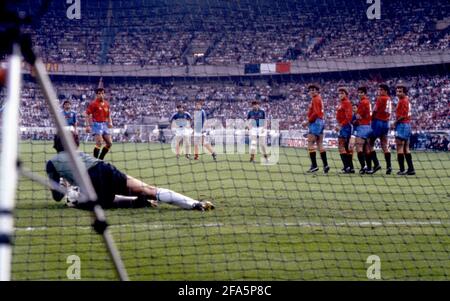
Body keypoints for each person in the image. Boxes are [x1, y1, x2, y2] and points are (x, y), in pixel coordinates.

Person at [46, 133, 214, 211]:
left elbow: (57, 197)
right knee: (148, 190)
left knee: (100, 201)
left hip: (90, 183)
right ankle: (194, 204)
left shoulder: (52, 163)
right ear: (75, 144)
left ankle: (138, 202)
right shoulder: (79, 154)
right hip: (102, 169)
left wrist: (63, 185)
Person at [303, 84, 329, 173]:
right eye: (310, 90)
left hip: (315, 122)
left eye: (314, 89)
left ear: (317, 91)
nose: (312, 91)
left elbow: (316, 113)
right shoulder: (319, 99)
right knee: (320, 144)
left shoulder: (315, 99)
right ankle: (325, 165)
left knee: (310, 143)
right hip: (320, 122)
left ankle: (314, 166)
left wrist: (307, 121)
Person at [367, 84, 392, 174]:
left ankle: (376, 164)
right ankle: (389, 167)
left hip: (378, 122)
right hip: (386, 123)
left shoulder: (380, 98)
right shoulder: (389, 99)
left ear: (385, 91)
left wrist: (371, 119)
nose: (379, 91)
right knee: (384, 145)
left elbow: (375, 110)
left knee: (369, 143)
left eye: (381, 90)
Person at [85, 88, 113, 160]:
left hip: (104, 125)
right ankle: (95, 161)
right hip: (96, 124)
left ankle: (100, 159)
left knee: (109, 143)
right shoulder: (93, 104)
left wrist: (110, 122)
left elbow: (109, 114)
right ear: (96, 95)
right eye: (99, 93)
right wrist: (87, 126)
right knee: (99, 142)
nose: (101, 95)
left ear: (104, 94)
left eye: (102, 93)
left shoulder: (107, 104)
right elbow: (87, 114)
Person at [394, 85, 415, 175]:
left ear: (404, 92)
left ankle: (402, 169)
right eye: (397, 91)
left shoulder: (403, 101)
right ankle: (411, 169)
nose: (398, 93)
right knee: (406, 147)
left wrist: (395, 122)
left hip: (402, 125)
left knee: (399, 147)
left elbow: (403, 115)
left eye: (400, 91)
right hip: (407, 125)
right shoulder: (406, 100)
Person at [353, 86, 373, 174]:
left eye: (361, 92)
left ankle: (363, 167)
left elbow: (358, 116)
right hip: (369, 126)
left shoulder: (363, 102)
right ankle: (369, 168)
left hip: (362, 126)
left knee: (359, 147)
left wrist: (355, 114)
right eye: (359, 92)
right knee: (367, 148)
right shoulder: (368, 102)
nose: (359, 94)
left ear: (365, 93)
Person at [335, 87, 354, 173]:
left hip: (345, 127)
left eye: (342, 93)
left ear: (346, 94)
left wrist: (340, 125)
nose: (340, 95)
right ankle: (350, 167)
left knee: (341, 146)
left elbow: (349, 117)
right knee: (346, 147)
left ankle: (347, 167)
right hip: (343, 126)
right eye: (339, 93)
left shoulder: (346, 103)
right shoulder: (342, 103)